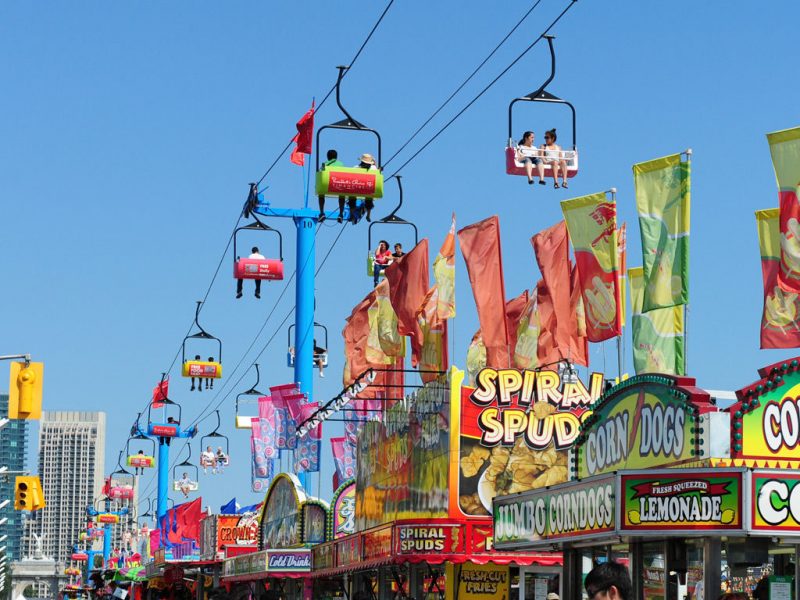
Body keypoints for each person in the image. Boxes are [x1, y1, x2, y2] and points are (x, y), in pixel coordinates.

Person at [347, 153, 379, 223]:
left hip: (367, 188)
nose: (368, 165)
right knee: (352, 198)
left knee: (369, 199)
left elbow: (377, 171)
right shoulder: (356, 168)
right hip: (357, 187)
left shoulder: (372, 168)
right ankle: (352, 214)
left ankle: (368, 215)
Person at [317, 149, 345, 222]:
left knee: (321, 194)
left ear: (328, 157)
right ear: (336, 157)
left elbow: (321, 174)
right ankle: (341, 214)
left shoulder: (325, 164)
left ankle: (322, 212)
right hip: (338, 184)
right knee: (342, 195)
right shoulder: (341, 164)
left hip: (327, 185)